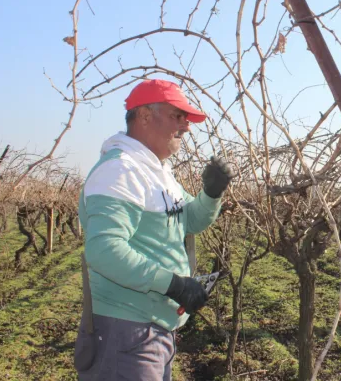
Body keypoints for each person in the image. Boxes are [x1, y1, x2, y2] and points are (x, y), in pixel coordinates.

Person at [74, 79, 234, 380]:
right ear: (145, 116)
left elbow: (192, 221)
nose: (186, 126)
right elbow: (104, 250)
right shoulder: (120, 170)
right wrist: (174, 284)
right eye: (178, 116)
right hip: (126, 332)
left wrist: (211, 194)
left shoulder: (158, 173)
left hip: (153, 328)